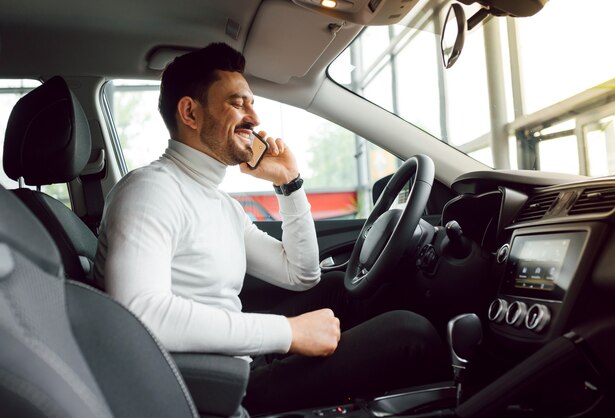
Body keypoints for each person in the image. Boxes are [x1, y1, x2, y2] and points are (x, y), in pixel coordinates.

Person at [95, 42, 447, 414]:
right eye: (237, 103)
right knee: (411, 334)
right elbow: (139, 313)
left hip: (236, 360)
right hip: (212, 386)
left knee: (338, 290)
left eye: (252, 103)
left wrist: (289, 183)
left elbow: (302, 274)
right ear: (190, 113)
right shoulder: (151, 191)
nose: (254, 118)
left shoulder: (217, 203)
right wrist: (289, 334)